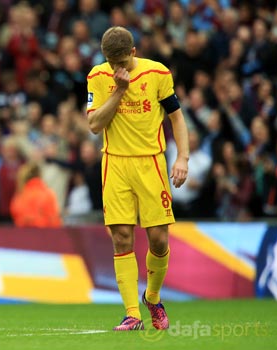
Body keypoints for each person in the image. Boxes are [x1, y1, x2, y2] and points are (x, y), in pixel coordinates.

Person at [86, 26, 189, 331]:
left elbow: (176, 117)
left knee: (158, 240)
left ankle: (152, 298)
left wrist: (182, 157)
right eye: (111, 63)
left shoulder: (157, 73)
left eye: (122, 62)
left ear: (133, 52)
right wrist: (118, 89)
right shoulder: (98, 76)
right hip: (115, 164)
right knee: (121, 238)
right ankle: (132, 313)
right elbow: (94, 124)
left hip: (151, 164)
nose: (117, 68)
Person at [9, 162, 62, 228]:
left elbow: (16, 216)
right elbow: (54, 220)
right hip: (46, 234)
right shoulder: (48, 193)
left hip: (25, 235)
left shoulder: (20, 195)